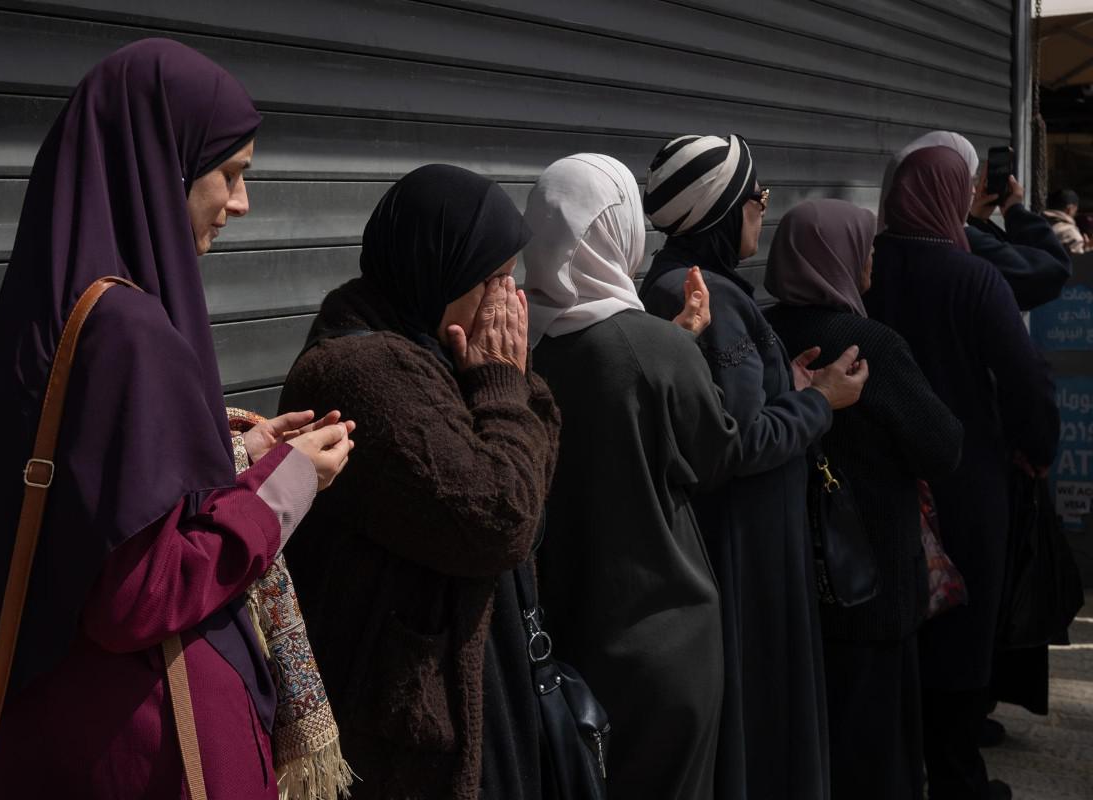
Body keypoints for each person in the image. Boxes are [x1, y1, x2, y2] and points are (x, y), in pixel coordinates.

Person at [0, 39, 355, 799]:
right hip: (153, 745)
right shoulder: (132, 331)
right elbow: (137, 595)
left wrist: (235, 456)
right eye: (230, 174)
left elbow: (95, 518)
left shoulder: (53, 310)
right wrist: (291, 485)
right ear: (162, 167)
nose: (241, 203)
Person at [277, 164, 560, 800]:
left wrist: (505, 384)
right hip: (409, 728)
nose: (505, 302)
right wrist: (502, 385)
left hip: (481, 683)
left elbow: (531, 492)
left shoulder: (432, 349)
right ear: (438, 267)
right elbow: (502, 517)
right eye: (490, 279)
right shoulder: (362, 372)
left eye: (510, 278)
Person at [639, 133, 868, 800]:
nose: (765, 206)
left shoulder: (675, 285)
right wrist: (821, 402)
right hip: (748, 549)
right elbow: (735, 443)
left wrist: (786, 389)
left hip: (733, 539)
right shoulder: (709, 297)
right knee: (762, 712)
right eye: (756, 196)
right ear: (723, 209)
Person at [522, 153, 742, 799]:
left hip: (559, 635)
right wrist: (684, 348)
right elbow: (716, 456)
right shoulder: (657, 347)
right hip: (665, 633)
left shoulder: (515, 348)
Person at [865, 146, 1059, 800]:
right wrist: (1038, 448)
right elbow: (1026, 381)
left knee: (895, 621)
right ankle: (956, 777)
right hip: (968, 483)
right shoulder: (974, 278)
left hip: (881, 477)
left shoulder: (867, 265)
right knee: (962, 627)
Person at [765, 199, 964, 800]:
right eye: (865, 246)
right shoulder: (869, 342)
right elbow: (942, 446)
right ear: (842, 256)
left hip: (786, 582)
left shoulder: (760, 330)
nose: (873, 257)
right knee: (876, 756)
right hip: (869, 586)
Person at [879, 131, 1070, 310]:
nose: (972, 190)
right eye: (966, 180)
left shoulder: (876, 251)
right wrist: (1014, 211)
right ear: (945, 186)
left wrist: (977, 221)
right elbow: (1054, 272)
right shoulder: (963, 255)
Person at [1044, 188, 1086, 255]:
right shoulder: (1071, 234)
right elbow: (1078, 263)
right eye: (1076, 210)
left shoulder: (1036, 222)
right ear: (1070, 209)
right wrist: (1086, 250)